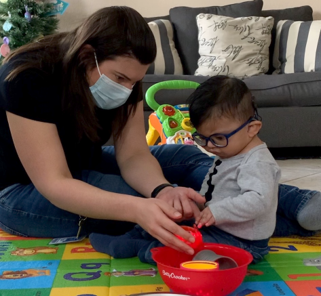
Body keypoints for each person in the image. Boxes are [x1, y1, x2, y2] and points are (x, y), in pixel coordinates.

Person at [0, 6, 319, 259]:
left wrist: (162, 190)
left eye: (134, 82)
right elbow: (55, 181)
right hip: (21, 190)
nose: (127, 89)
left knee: (182, 159)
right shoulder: (28, 76)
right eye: (121, 78)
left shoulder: (126, 79)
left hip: (84, 163)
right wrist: (142, 206)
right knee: (132, 198)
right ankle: (264, 224)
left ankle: (297, 201)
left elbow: (134, 155)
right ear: (87, 56)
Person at [89, 76, 321, 264]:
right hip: (223, 229)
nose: (210, 146)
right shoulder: (232, 151)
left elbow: (259, 200)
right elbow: (216, 187)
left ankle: (143, 249)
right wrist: (202, 205)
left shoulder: (258, 162)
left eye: (218, 138)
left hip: (243, 242)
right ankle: (135, 235)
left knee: (188, 251)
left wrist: (217, 211)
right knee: (172, 223)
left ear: (252, 128)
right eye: (203, 138)